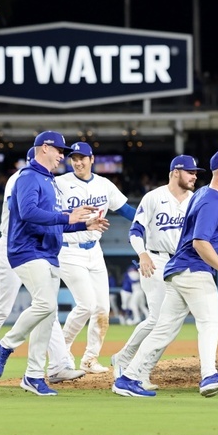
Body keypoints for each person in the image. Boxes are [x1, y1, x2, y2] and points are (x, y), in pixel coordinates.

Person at [112, 148, 218, 398]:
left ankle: (128, 377)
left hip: (176, 270)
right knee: (211, 322)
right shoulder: (210, 199)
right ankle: (209, 374)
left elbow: (211, 220)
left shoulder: (201, 195)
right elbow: (201, 242)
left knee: (163, 329)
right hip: (193, 268)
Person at [0, 131, 108, 397]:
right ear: (44, 148)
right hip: (26, 250)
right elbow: (29, 214)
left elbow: (53, 224)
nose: (62, 157)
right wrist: (67, 218)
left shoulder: (48, 181)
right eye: (60, 151)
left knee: (47, 315)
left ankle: (32, 375)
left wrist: (82, 224)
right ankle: (5, 345)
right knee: (46, 305)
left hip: (48, 252)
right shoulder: (28, 177)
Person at [0, 148, 82, 387]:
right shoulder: (22, 178)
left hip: (35, 246)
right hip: (15, 243)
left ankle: (59, 363)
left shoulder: (45, 180)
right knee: (4, 308)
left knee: (47, 307)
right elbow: (25, 213)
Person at [112, 154, 205, 389]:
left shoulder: (194, 200)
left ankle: (141, 369)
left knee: (170, 323)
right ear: (176, 172)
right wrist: (142, 254)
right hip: (156, 259)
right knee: (157, 319)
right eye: (190, 172)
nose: (195, 176)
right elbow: (135, 230)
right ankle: (125, 360)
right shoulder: (154, 197)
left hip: (182, 262)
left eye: (196, 173)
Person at [56, 141, 137, 374]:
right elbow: (49, 214)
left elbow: (125, 209)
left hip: (95, 251)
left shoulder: (104, 185)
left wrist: (146, 221)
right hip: (69, 248)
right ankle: (62, 352)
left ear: (92, 159)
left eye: (82, 157)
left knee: (102, 308)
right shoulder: (60, 184)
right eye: (74, 158)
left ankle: (90, 359)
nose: (78, 162)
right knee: (86, 304)